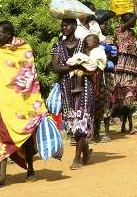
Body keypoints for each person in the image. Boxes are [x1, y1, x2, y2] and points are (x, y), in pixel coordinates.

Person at [0, 21, 48, 188]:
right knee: (2, 134)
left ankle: (30, 168)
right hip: (3, 102)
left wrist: (34, 101)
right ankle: (2, 176)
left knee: (26, 136)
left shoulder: (24, 49)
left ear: (8, 34)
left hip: (22, 102)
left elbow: (30, 76)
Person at [51, 19, 94, 170]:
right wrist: (74, 66)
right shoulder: (57, 45)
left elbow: (91, 63)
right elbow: (55, 67)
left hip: (84, 85)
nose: (63, 28)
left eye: (67, 25)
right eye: (62, 25)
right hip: (66, 87)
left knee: (81, 119)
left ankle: (77, 159)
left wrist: (76, 67)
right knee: (72, 122)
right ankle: (86, 150)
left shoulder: (85, 43)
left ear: (75, 26)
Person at [114, 0, 137, 134]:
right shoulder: (120, 29)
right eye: (130, 17)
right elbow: (136, 15)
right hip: (122, 67)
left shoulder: (132, 32)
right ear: (124, 18)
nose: (134, 20)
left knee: (129, 96)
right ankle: (127, 125)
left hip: (131, 66)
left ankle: (128, 125)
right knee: (123, 97)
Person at [93, 19, 117, 142]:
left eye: (106, 23)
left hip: (106, 74)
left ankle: (106, 133)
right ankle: (95, 133)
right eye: (102, 23)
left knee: (106, 101)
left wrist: (105, 48)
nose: (104, 26)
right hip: (95, 73)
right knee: (95, 103)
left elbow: (114, 54)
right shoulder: (91, 37)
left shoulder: (108, 39)